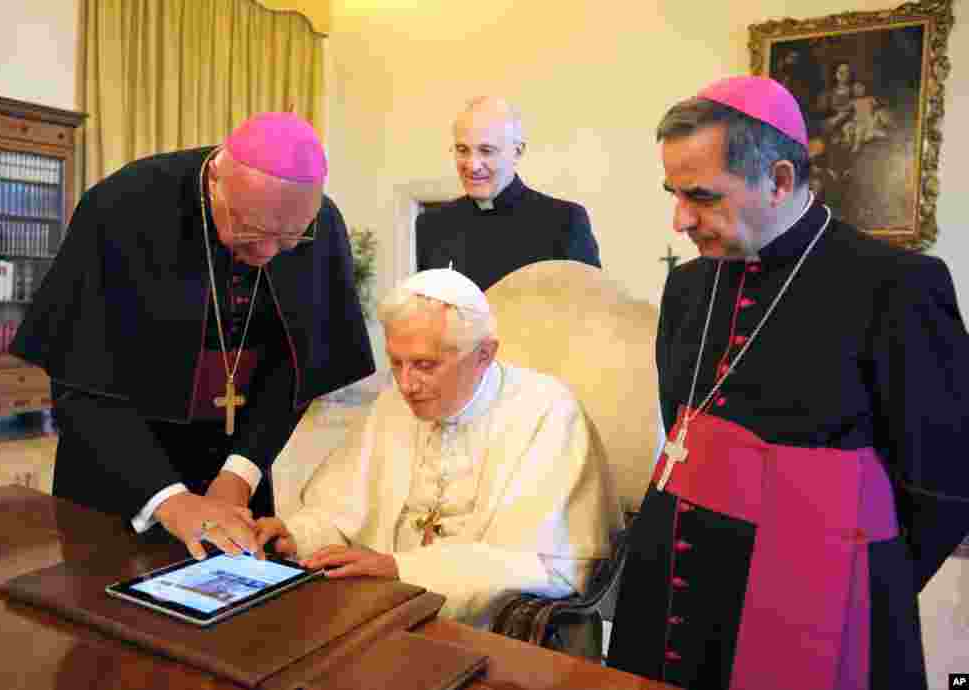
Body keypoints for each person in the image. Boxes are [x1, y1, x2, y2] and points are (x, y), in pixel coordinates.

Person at [606, 76, 969, 690]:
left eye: (701, 197)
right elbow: (681, 424)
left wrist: (861, 579)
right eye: (673, 193)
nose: (680, 220)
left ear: (776, 181)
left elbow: (944, 482)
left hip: (819, 594)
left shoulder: (896, 285)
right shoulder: (689, 287)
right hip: (672, 587)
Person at [11, 113, 375, 559]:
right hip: (121, 471)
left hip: (235, 470)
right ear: (218, 177)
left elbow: (296, 373)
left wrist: (239, 474)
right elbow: (81, 379)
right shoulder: (123, 206)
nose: (264, 254)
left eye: (287, 241)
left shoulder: (320, 225)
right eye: (250, 231)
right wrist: (169, 499)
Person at [254, 268, 619, 626]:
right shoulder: (393, 404)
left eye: (425, 365)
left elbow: (547, 566)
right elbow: (338, 513)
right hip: (383, 610)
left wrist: (401, 568)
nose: (407, 384)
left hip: (489, 633)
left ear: (484, 355)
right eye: (396, 363)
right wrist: (297, 536)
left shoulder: (547, 412)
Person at [416, 97, 600, 291]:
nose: (472, 165)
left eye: (486, 151)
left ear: (517, 152)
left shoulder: (564, 222)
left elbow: (589, 311)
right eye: (463, 150)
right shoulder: (431, 226)